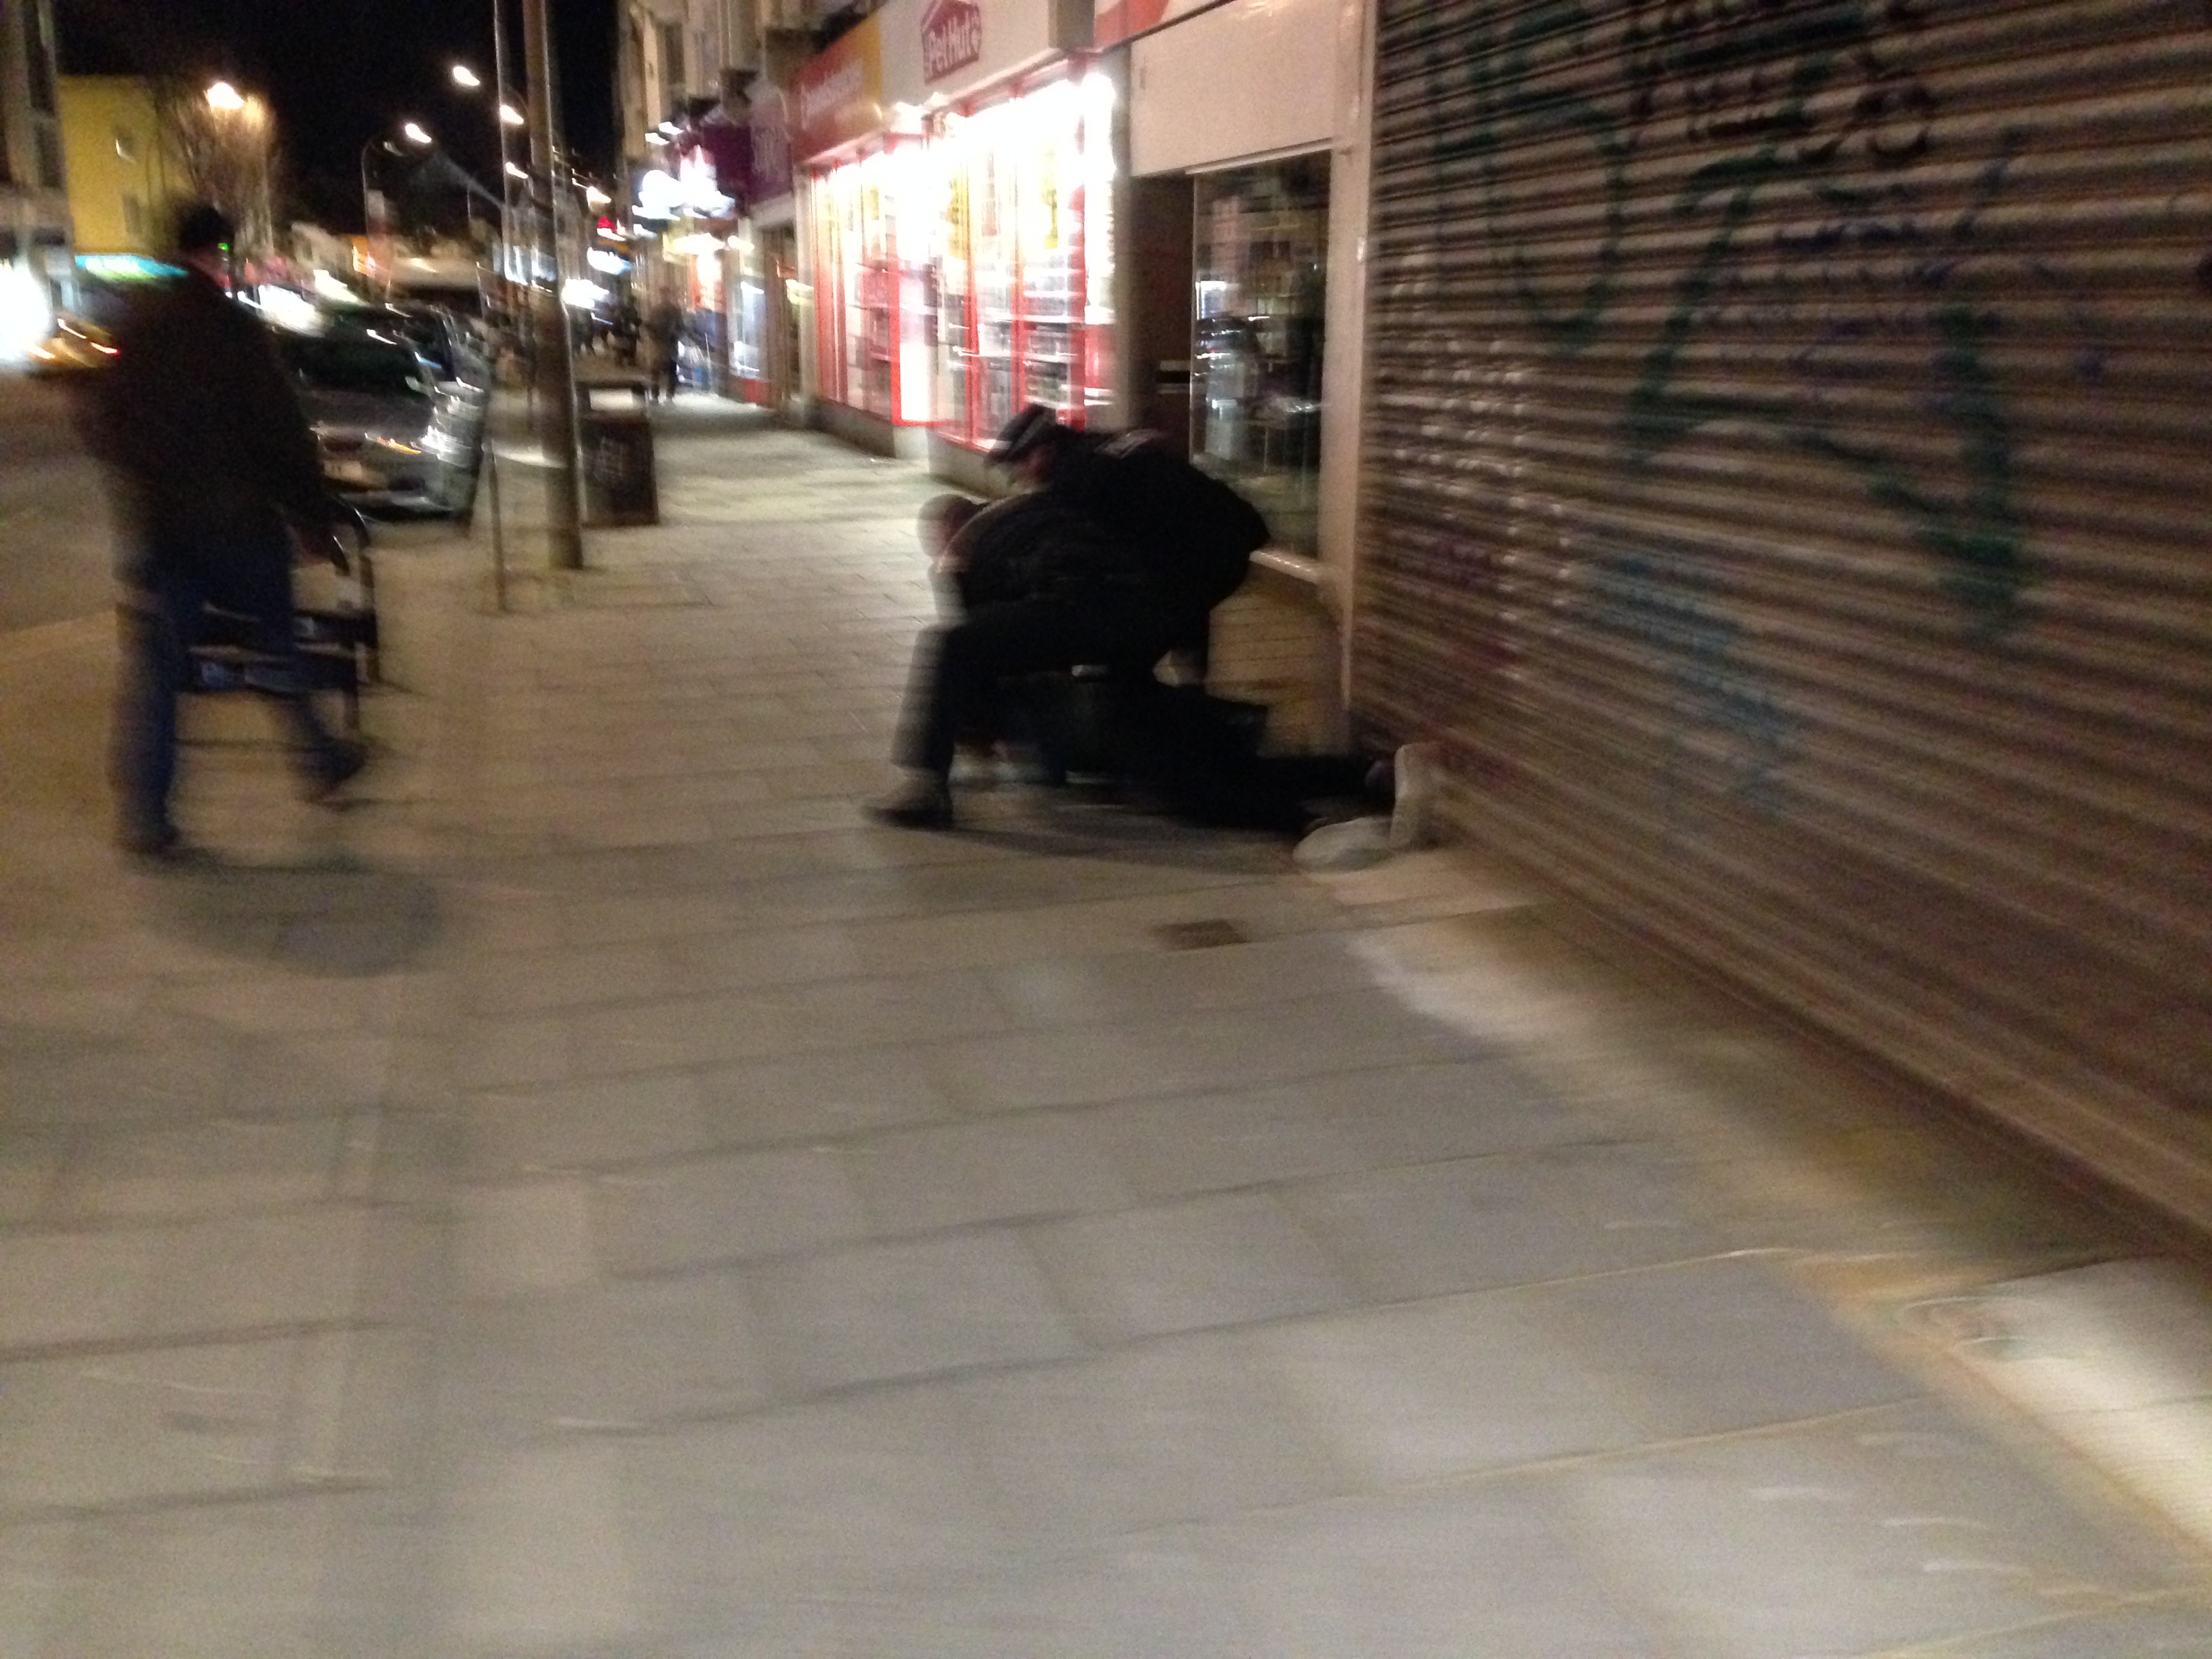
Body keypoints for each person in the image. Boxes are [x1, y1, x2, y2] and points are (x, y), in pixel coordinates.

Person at [91, 203, 367, 858]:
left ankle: (146, 815)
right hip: (242, 527)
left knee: (157, 672)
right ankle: (321, 760)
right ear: (220, 252)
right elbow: (281, 435)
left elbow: (105, 424)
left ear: (171, 248)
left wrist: (147, 484)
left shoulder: (136, 330)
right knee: (276, 648)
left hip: (165, 531)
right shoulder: (236, 331)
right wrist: (313, 520)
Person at [869, 493, 1179, 829]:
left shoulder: (964, 548)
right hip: (1147, 604)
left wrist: (979, 728)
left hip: (1073, 600)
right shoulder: (1025, 510)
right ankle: (1117, 764)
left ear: (949, 529)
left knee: (954, 645)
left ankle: (926, 789)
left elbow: (978, 654)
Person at [989, 403, 1271, 680]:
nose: (1021, 481)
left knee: (1133, 644)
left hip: (1213, 548)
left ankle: (1182, 705)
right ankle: (1189, 684)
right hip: (1220, 537)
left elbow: (1085, 552)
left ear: (1040, 455)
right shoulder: (1091, 448)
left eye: (1018, 470)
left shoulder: (1078, 477)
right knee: (1173, 610)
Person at [644, 297, 682, 402]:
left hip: (659, 346)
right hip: (670, 346)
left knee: (656, 371)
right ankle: (669, 395)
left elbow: (649, 325)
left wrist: (653, 336)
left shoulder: (655, 310)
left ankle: (656, 394)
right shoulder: (675, 311)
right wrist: (676, 336)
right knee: (671, 370)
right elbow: (681, 327)